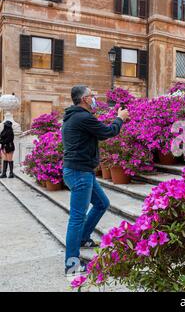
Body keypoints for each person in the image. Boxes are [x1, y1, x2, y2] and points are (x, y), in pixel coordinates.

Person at [62, 85, 129, 276]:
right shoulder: (82, 117)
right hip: (79, 173)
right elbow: (108, 132)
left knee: (102, 203)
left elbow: (98, 130)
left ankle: (83, 238)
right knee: (76, 217)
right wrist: (120, 118)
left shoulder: (74, 117)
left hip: (80, 171)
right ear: (84, 99)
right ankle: (72, 264)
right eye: (92, 95)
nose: (95, 98)